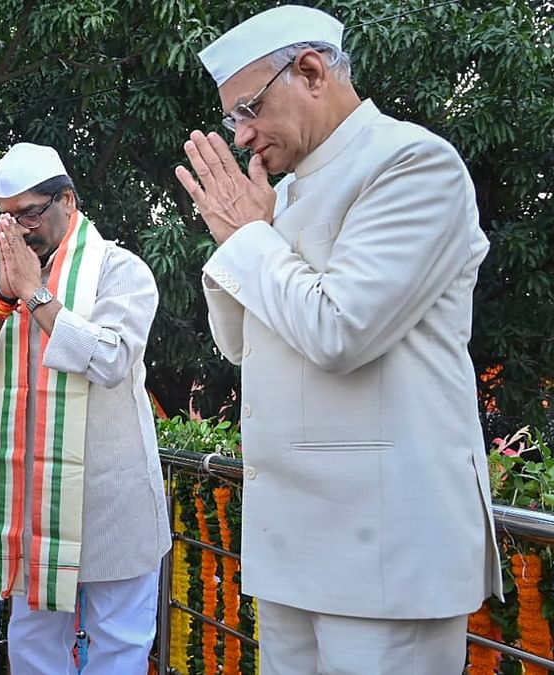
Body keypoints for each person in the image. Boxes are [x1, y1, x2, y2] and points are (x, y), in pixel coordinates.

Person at [176, 5, 501, 673]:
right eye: (234, 119)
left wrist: (249, 239)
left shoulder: (412, 163)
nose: (241, 136)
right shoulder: (286, 195)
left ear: (312, 71)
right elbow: (241, 342)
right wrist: (251, 234)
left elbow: (339, 330)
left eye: (248, 111)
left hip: (383, 553)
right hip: (291, 541)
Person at [0, 142, 172, 674]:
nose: (20, 230)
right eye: (7, 218)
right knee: (31, 645)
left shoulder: (122, 270)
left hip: (110, 502)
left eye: (29, 213)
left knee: (119, 646)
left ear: (67, 200)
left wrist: (36, 294)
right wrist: (3, 300)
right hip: (29, 504)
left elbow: (112, 359)